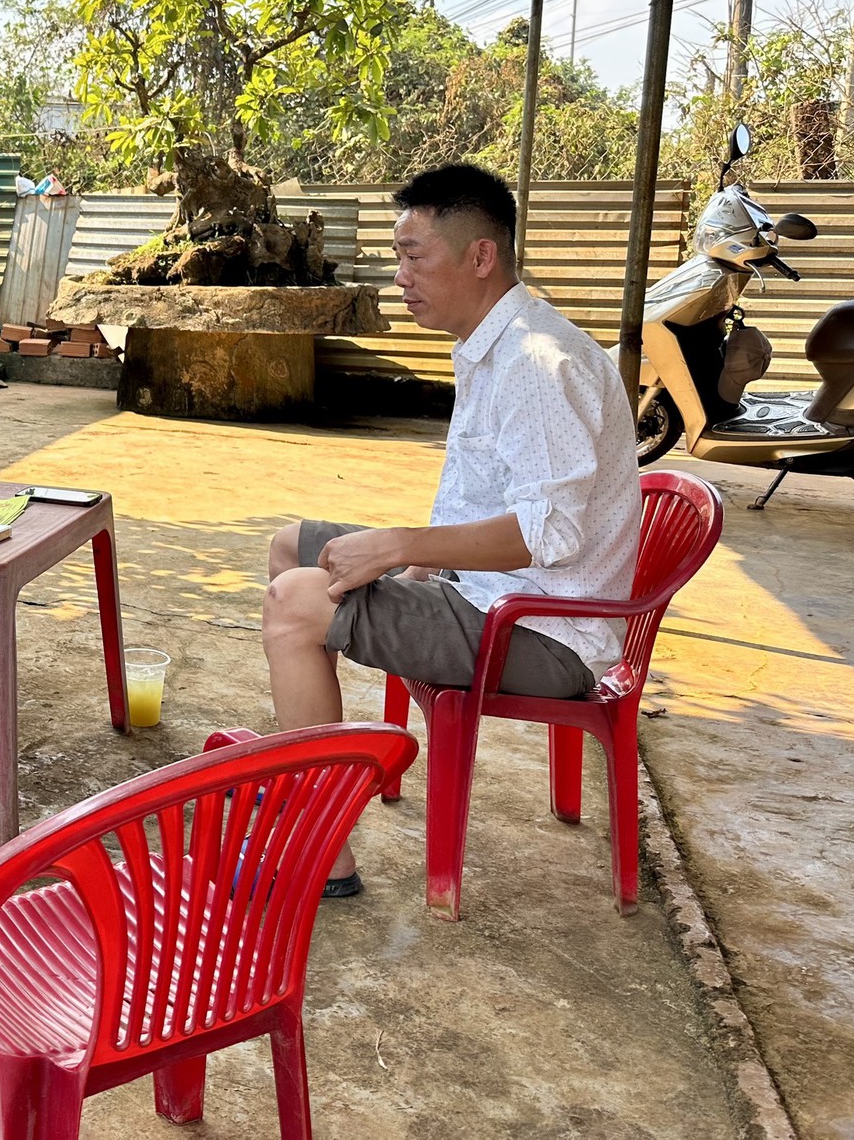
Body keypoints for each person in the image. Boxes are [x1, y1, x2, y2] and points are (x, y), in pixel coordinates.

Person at [259, 163, 640, 895]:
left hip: (541, 631)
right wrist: (420, 566)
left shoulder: (536, 363)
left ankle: (319, 852)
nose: (399, 274)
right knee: (291, 544)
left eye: (413, 254)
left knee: (298, 603)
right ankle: (302, 757)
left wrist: (405, 545)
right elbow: (482, 496)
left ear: (480, 256)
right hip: (489, 593)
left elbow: (547, 533)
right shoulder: (496, 343)